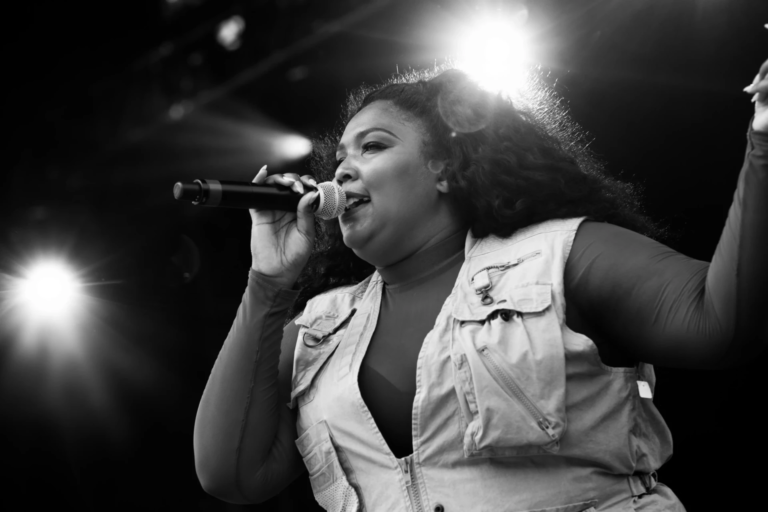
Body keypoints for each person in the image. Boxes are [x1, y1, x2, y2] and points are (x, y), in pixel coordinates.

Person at [193, 52, 768, 511]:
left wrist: (763, 145)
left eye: (372, 146)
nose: (341, 170)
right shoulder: (319, 330)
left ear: (444, 167)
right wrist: (268, 281)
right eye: (339, 157)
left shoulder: (558, 256)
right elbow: (229, 473)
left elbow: (720, 323)